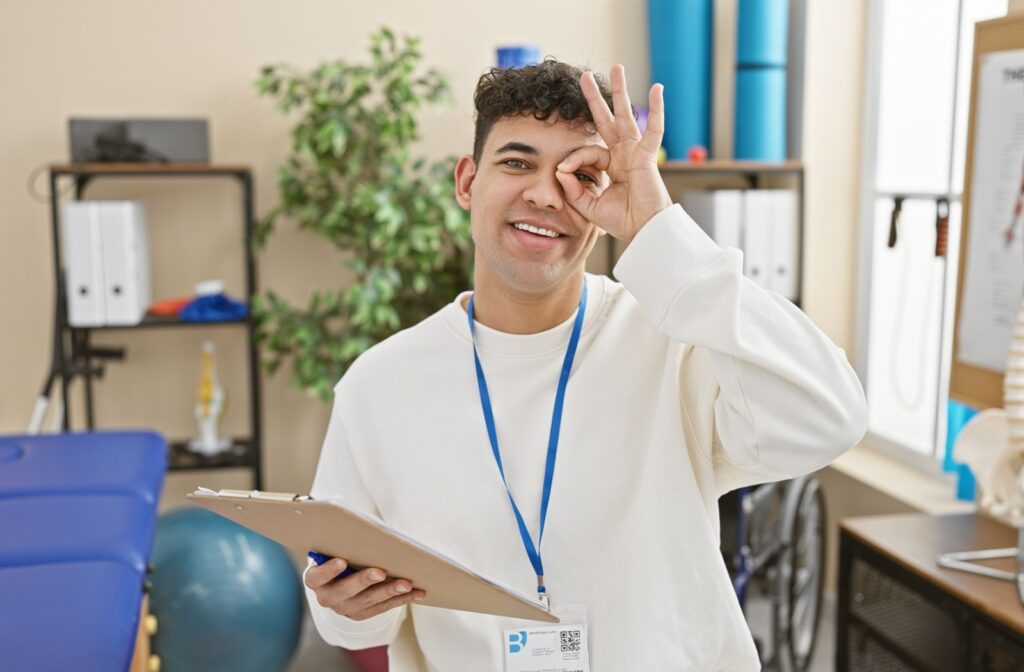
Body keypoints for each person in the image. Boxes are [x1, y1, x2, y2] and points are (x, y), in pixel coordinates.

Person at [303, 59, 866, 671]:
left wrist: (660, 232)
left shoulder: (676, 340)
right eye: (517, 163)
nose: (545, 194)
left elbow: (831, 418)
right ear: (466, 181)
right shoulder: (379, 385)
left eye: (581, 175)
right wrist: (347, 605)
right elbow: (353, 629)